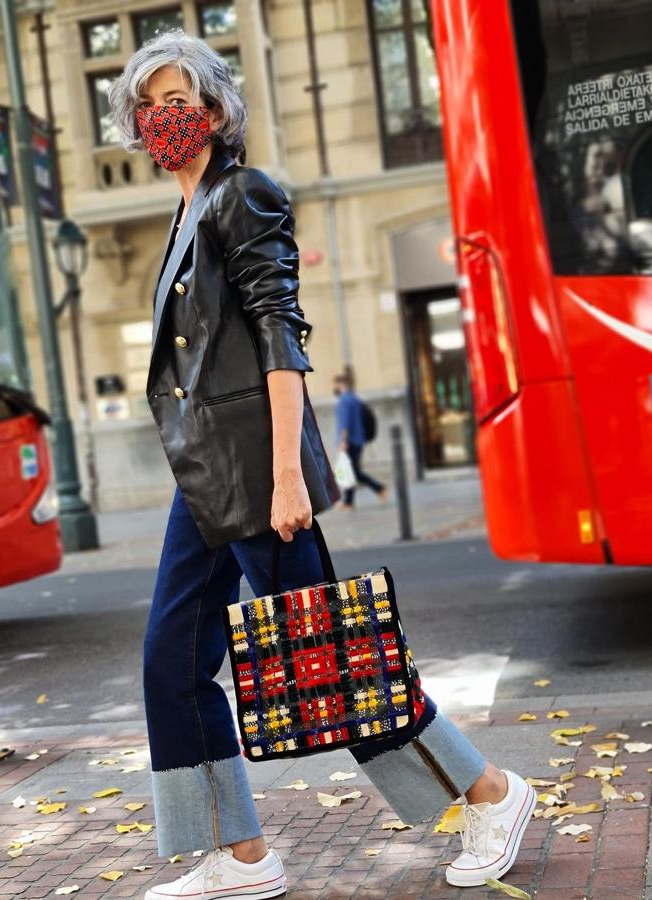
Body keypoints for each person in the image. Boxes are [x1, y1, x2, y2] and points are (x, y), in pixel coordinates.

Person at [108, 31, 537, 900]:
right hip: (206, 482)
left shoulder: (243, 194)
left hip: (259, 477)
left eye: (178, 102)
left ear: (215, 110)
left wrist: (287, 476)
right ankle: (240, 855)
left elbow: (279, 337)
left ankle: (491, 793)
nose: (162, 118)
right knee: (170, 661)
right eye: (148, 106)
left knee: (333, 661)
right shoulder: (187, 213)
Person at [333, 373, 387, 509]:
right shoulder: (354, 399)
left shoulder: (344, 401)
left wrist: (343, 441)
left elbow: (345, 423)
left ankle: (379, 488)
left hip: (350, 441)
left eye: (336, 385)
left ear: (341, 384)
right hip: (358, 440)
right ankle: (349, 501)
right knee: (352, 471)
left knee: (352, 471)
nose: (335, 388)